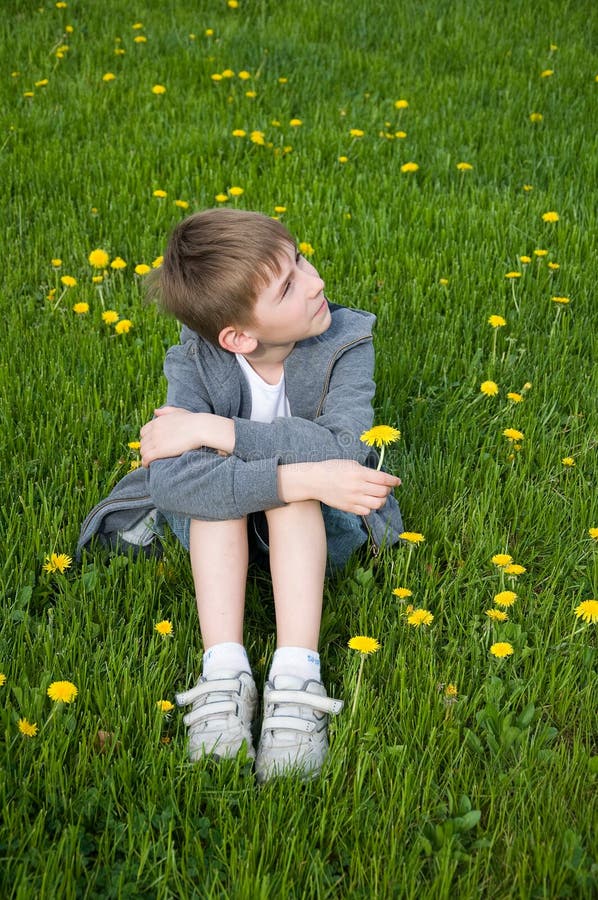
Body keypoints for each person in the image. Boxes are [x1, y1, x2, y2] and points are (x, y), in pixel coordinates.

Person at [79, 208, 403, 782]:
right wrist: (300, 474)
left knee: (291, 498)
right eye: (288, 285)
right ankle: (225, 674)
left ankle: (297, 681)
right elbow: (171, 480)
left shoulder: (347, 340)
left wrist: (216, 431)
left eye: (300, 259)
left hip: (322, 523)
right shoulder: (197, 360)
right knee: (217, 497)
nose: (316, 281)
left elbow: (344, 448)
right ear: (239, 336)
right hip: (222, 529)